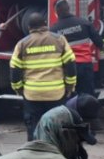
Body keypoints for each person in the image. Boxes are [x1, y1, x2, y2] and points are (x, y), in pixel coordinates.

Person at [11, 11, 77, 140]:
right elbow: (70, 64)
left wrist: (18, 89)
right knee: (57, 126)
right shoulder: (59, 40)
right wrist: (70, 86)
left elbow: (14, 69)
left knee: (34, 127)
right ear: (45, 24)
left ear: (29, 27)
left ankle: (34, 151)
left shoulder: (22, 44)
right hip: (56, 93)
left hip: (32, 94)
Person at [50, 0, 104, 97]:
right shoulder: (84, 23)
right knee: (87, 97)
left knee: (68, 97)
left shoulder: (54, 30)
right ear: (69, 9)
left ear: (56, 12)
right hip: (85, 67)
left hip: (67, 67)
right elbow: (98, 41)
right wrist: (103, 47)